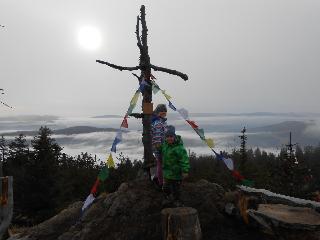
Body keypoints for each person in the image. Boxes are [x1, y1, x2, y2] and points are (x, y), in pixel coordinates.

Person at [160, 125, 190, 207]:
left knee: (176, 189)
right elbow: (161, 148)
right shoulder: (165, 145)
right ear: (165, 137)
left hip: (176, 174)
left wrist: (185, 171)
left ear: (174, 136)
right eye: (167, 137)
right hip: (167, 173)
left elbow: (184, 160)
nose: (169, 138)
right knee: (166, 188)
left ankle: (177, 201)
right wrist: (157, 147)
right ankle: (168, 198)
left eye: (171, 136)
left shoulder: (179, 148)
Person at [151, 104, 168, 186]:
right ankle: (161, 183)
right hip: (159, 148)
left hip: (164, 146)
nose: (163, 114)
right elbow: (157, 138)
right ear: (157, 113)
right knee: (161, 164)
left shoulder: (162, 122)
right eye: (161, 112)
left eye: (165, 112)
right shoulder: (158, 123)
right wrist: (159, 148)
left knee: (160, 164)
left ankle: (157, 178)